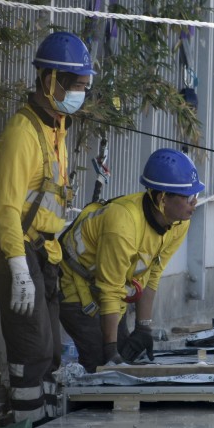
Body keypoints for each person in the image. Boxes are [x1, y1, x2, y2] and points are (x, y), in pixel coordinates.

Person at [0, 31, 94, 422]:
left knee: (51, 353)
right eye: (77, 86)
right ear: (52, 81)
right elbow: (6, 209)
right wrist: (18, 269)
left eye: (85, 86)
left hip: (46, 254)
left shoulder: (57, 126)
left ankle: (46, 427)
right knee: (31, 351)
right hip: (21, 253)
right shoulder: (23, 133)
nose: (80, 94)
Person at [58, 148, 203, 371]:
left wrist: (144, 328)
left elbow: (153, 273)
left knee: (127, 356)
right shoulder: (123, 223)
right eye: (189, 197)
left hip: (110, 290)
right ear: (163, 198)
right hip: (75, 287)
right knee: (100, 362)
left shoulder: (179, 221)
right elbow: (109, 288)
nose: (194, 203)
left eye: (196, 196)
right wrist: (109, 350)